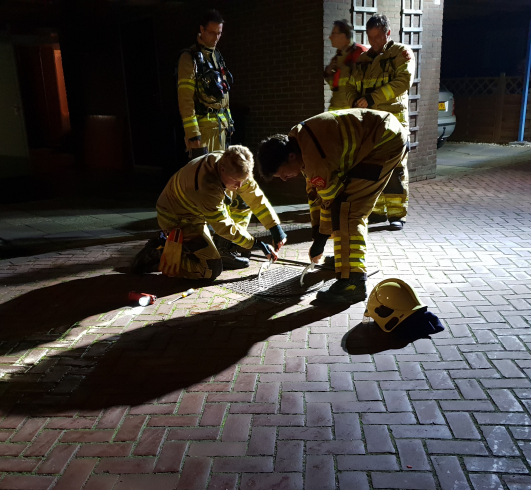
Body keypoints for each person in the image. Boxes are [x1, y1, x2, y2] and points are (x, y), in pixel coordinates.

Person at [257, 109, 407, 304]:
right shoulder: (299, 142)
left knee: (349, 211)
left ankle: (353, 281)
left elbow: (332, 200)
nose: (285, 179)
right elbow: (316, 195)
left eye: (283, 174)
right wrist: (318, 234)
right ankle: (344, 260)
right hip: (379, 134)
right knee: (341, 207)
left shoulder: (314, 159)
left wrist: (320, 240)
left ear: (291, 157)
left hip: (384, 142)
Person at [132, 145, 285, 279]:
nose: (239, 185)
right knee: (210, 269)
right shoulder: (206, 186)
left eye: (243, 180)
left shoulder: (232, 163)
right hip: (178, 218)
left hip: (196, 209)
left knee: (243, 201)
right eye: (235, 181)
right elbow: (223, 226)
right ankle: (161, 253)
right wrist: (256, 243)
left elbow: (255, 197)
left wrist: (275, 229)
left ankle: (224, 250)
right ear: (222, 170)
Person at [344, 14, 414, 231]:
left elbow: (403, 82)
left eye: (378, 37)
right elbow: (349, 86)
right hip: (369, 124)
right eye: (370, 37)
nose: (374, 42)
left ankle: (397, 214)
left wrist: (373, 98)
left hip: (394, 122)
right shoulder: (362, 61)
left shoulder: (401, 54)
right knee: (371, 167)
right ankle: (375, 211)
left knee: (395, 168)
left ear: (387, 33)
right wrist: (353, 100)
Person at [177, 9, 233, 160]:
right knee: (205, 178)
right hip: (203, 132)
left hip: (221, 129)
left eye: (219, 33)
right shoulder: (189, 58)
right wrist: (193, 134)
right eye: (212, 33)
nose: (216, 38)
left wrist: (229, 121)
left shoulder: (217, 56)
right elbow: (185, 99)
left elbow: (223, 92)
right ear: (202, 30)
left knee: (221, 176)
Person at [324, 20, 366, 111]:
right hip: (337, 110)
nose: (330, 37)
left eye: (333, 34)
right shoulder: (337, 58)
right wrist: (328, 72)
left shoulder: (360, 53)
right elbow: (336, 87)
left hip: (352, 111)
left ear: (342, 36)